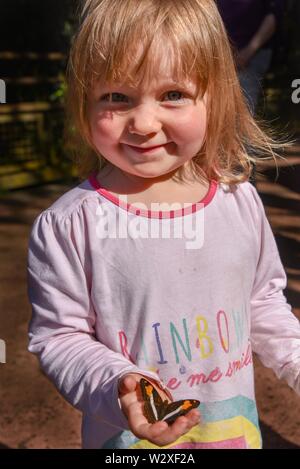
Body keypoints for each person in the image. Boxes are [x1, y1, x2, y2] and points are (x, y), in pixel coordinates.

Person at [27, 0, 300, 450]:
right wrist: (120, 384)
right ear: (83, 101)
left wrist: (293, 361)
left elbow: (262, 299)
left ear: (216, 97)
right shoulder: (67, 225)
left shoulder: (240, 201)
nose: (144, 123)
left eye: (173, 94)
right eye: (116, 97)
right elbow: (59, 337)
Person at [216, 0, 285, 113]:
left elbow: (274, 16)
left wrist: (249, 52)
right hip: (217, 54)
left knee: (243, 112)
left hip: (250, 57)